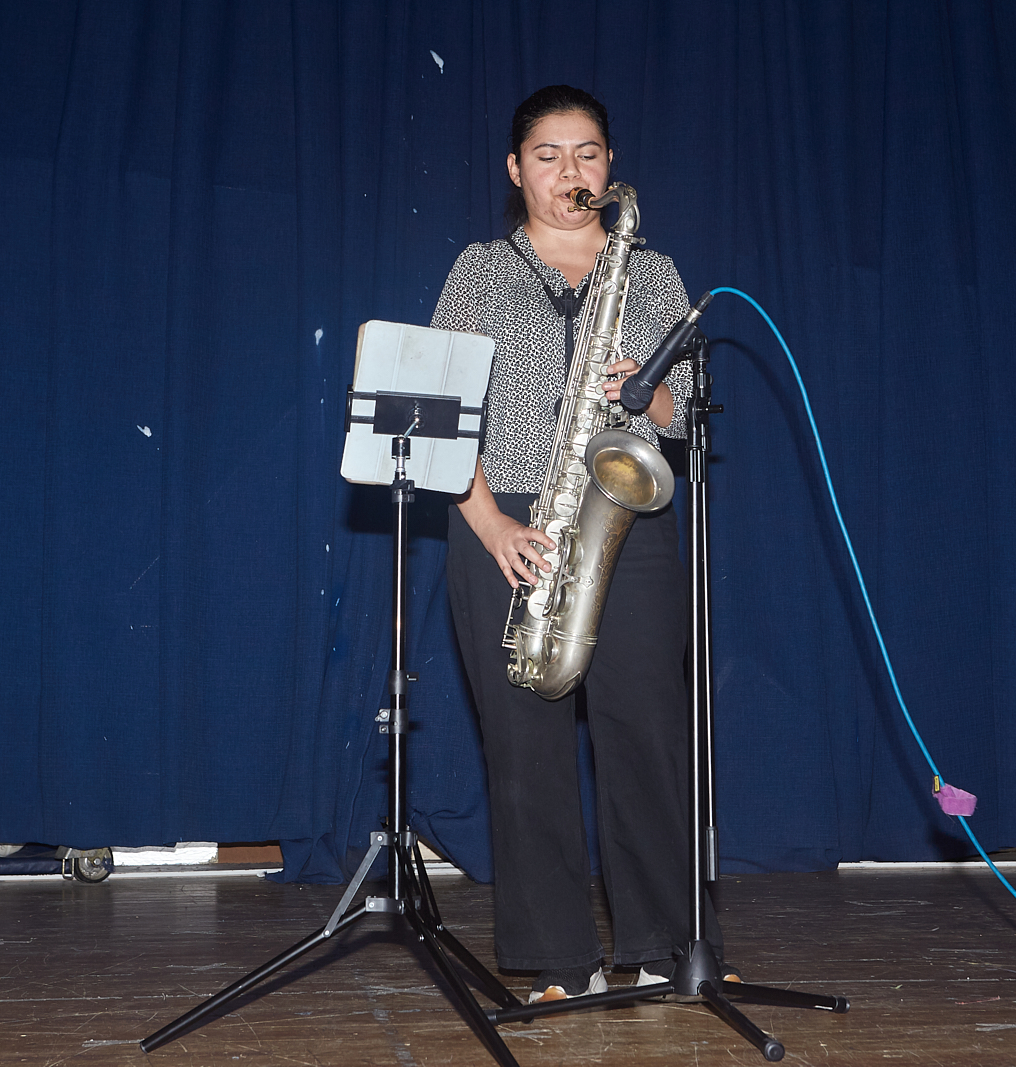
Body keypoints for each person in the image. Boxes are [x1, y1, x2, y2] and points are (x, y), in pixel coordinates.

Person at [431, 84, 726, 1003]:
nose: (571, 171)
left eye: (588, 153)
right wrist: (491, 523)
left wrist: (650, 389)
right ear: (516, 170)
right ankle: (561, 961)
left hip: (627, 514)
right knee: (525, 751)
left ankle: (666, 943)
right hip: (505, 518)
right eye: (548, 155)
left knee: (649, 737)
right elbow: (442, 411)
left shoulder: (654, 270)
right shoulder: (480, 269)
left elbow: (686, 411)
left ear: (610, 166)